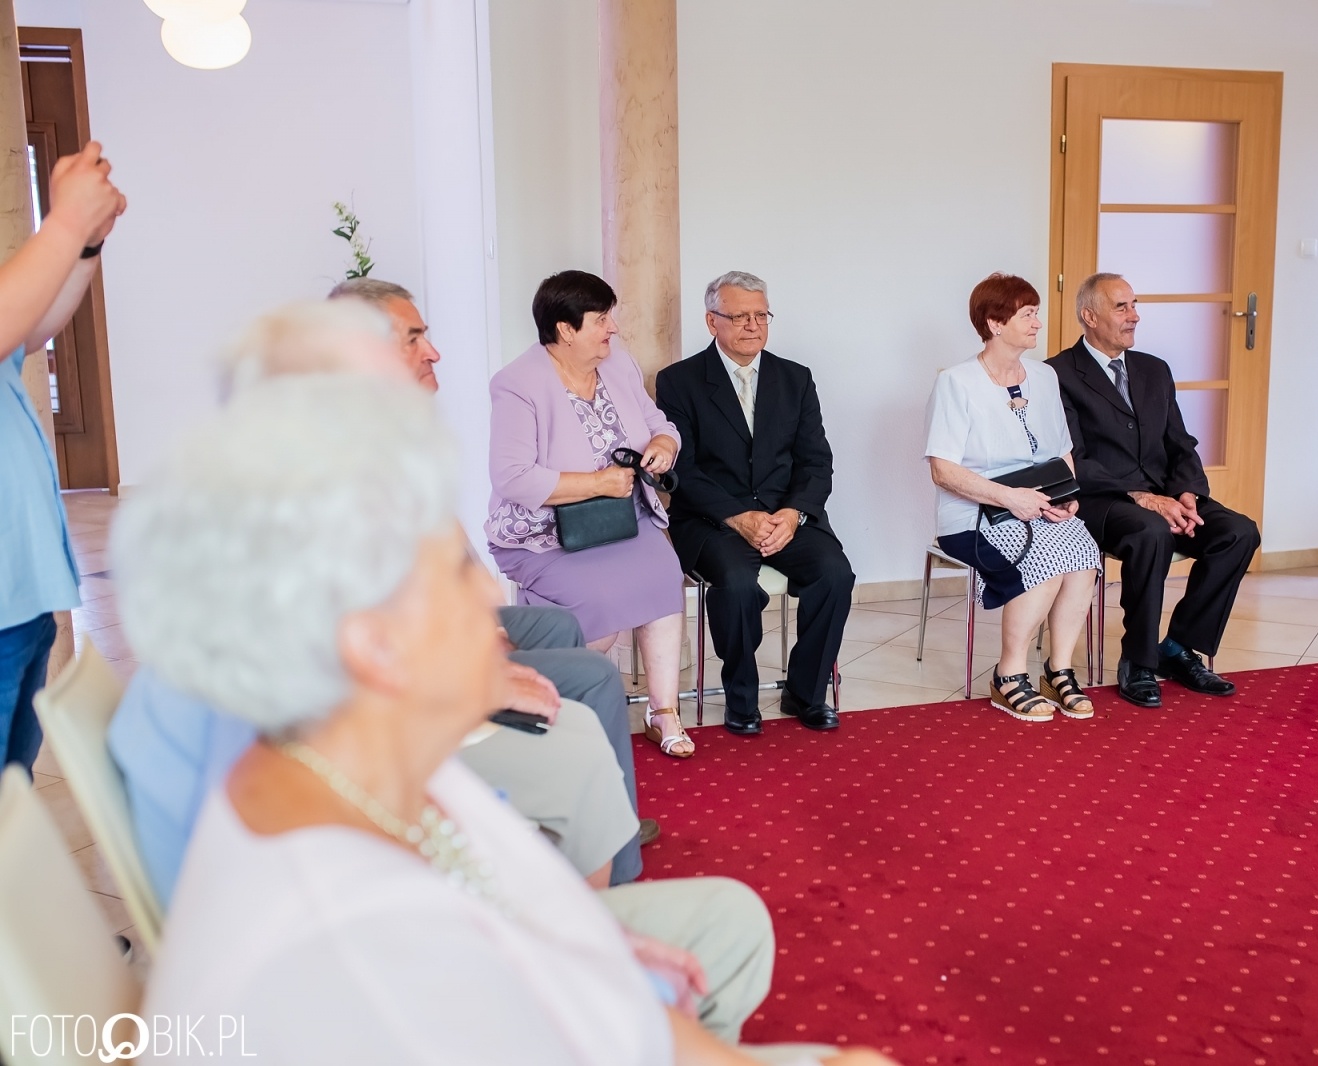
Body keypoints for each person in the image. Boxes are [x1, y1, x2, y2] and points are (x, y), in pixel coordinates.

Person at [118, 374, 891, 1066]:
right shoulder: (350, 938)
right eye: (458, 573)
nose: (498, 605)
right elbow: (547, 1014)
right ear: (376, 646)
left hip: (562, 979)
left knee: (729, 920)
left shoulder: (351, 761)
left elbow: (497, 905)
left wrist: (599, 944)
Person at [328, 276, 658, 862]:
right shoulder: (347, 456)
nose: (435, 350)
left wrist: (480, 616)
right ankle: (606, 841)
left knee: (560, 630)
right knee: (595, 673)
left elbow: (447, 557)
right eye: (414, 338)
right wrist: (475, 655)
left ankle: (604, 822)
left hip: (437, 628)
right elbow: (361, 614)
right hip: (409, 677)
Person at [487, 270, 693, 760]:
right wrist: (597, 483)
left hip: (622, 520)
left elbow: (657, 423)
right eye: (601, 319)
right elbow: (512, 477)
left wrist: (665, 443)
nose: (613, 329)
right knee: (599, 601)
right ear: (565, 330)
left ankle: (662, 712)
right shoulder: (517, 384)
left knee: (663, 573)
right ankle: (563, 708)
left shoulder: (618, 365)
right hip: (544, 534)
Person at [1046, 273, 1261, 709]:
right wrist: (1141, 496)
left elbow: (1180, 444)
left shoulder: (1154, 369)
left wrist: (1186, 494)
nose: (1135, 317)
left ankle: (1179, 647)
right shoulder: (1058, 374)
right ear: (1089, 316)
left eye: (1134, 305)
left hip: (1165, 495)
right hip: (1101, 500)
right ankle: (1138, 661)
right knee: (1151, 532)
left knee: (1239, 532)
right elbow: (1071, 459)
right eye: (1122, 308)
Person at [655, 272, 855, 736]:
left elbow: (815, 462)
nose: (752, 325)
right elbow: (682, 468)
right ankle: (741, 696)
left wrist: (792, 513)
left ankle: (806, 691)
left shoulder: (795, 379)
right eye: (739, 316)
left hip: (786, 516)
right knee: (739, 586)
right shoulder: (679, 381)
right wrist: (736, 516)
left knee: (835, 575)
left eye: (760, 315)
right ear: (712, 321)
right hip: (712, 520)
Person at [924, 273, 1102, 722]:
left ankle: (1058, 669)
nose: (1038, 323)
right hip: (974, 516)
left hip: (1039, 506)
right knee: (1043, 555)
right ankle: (1008, 675)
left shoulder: (1043, 377)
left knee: (1083, 550)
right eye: (1028, 314)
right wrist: (1009, 498)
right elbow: (943, 470)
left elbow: (1062, 449)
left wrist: (1067, 496)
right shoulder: (957, 382)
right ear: (995, 323)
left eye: (1036, 312)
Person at [0, 140, 124, 773]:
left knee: (10, 804)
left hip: (18, 598)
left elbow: (28, 328)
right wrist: (66, 219)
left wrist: (86, 243)